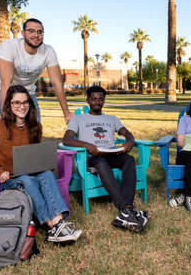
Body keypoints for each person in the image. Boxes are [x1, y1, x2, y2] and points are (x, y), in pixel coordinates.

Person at [0, 85, 82, 243]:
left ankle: (59, 224)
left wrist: (45, 162)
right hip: (7, 180)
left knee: (47, 174)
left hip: (30, 174)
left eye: (25, 102)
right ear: (9, 105)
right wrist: (0, 172)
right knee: (27, 179)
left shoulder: (35, 127)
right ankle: (54, 227)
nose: (22, 106)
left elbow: (34, 155)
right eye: (17, 103)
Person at [62, 86, 148, 232]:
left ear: (104, 100)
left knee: (129, 160)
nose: (97, 102)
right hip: (92, 158)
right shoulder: (78, 119)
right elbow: (66, 139)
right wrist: (85, 144)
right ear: (88, 100)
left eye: (100, 99)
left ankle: (125, 211)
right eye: (94, 99)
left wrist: (130, 141)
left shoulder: (112, 119)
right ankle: (127, 210)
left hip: (112, 154)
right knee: (101, 163)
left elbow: (127, 133)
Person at [0, 18, 74, 123]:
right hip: (5, 89)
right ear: (23, 33)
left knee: (35, 127)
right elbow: (5, 82)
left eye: (39, 32)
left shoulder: (48, 51)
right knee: (12, 124)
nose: (36, 35)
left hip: (28, 91)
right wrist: (5, 114)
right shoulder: (9, 46)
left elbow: (57, 83)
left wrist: (66, 113)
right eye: (31, 31)